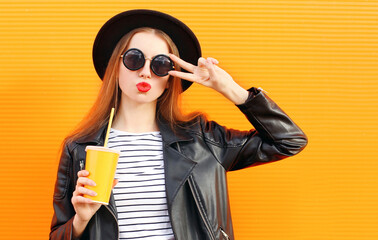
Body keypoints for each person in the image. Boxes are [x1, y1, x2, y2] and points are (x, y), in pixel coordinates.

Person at [50, 9, 307, 240]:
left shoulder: (202, 140)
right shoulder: (80, 149)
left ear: (170, 77)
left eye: (161, 64)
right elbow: (57, 235)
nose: (146, 72)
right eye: (134, 59)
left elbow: (289, 141)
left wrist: (230, 89)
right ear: (115, 66)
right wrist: (81, 221)